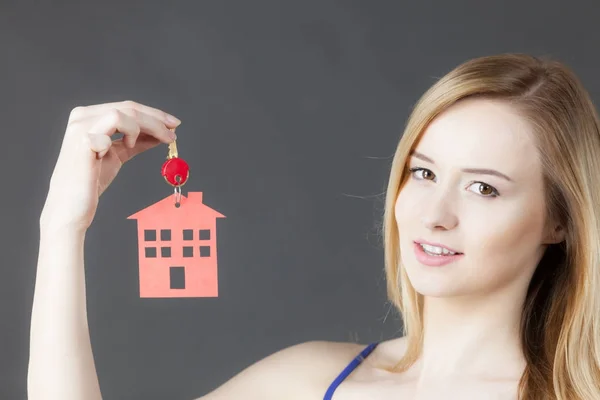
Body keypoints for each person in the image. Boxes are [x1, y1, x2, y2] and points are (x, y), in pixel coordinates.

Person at [27, 53, 600, 400]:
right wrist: (63, 228)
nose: (433, 214)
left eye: (483, 188)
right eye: (422, 173)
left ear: (560, 220)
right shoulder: (306, 380)